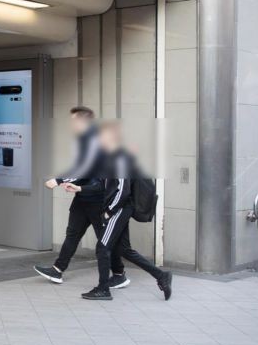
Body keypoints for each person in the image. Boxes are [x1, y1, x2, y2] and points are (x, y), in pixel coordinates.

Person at [73, 122, 173, 300]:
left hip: (118, 209)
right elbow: (104, 187)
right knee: (124, 249)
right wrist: (80, 189)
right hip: (119, 208)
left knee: (102, 247)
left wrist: (109, 212)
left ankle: (103, 289)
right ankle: (161, 276)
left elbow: (122, 190)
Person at [34, 106, 128, 288]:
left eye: (73, 120)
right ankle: (57, 270)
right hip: (82, 195)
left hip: (97, 198)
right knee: (73, 234)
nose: (71, 124)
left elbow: (86, 167)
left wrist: (59, 180)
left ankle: (119, 274)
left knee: (105, 240)